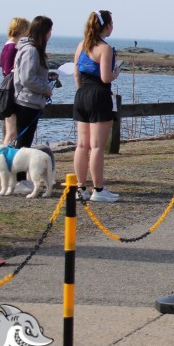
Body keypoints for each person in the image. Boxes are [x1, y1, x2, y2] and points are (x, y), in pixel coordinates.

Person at [72, 10, 121, 202]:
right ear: (107, 26)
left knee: (82, 144)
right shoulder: (104, 48)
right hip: (99, 95)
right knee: (97, 146)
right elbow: (105, 77)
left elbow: (76, 73)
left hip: (82, 93)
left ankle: (80, 187)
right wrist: (116, 73)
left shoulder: (81, 45)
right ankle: (98, 189)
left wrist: (81, 90)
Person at [11, 16, 54, 192]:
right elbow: (27, 78)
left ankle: (21, 179)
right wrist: (45, 88)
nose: (51, 34)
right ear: (44, 32)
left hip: (32, 101)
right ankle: (19, 180)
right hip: (27, 101)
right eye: (49, 30)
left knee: (25, 142)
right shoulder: (31, 51)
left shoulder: (33, 50)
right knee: (23, 143)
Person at [0, 17, 29, 144]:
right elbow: (8, 71)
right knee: (12, 132)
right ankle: (5, 154)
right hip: (12, 92)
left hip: (10, 91)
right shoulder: (12, 47)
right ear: (23, 30)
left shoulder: (8, 45)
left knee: (12, 131)